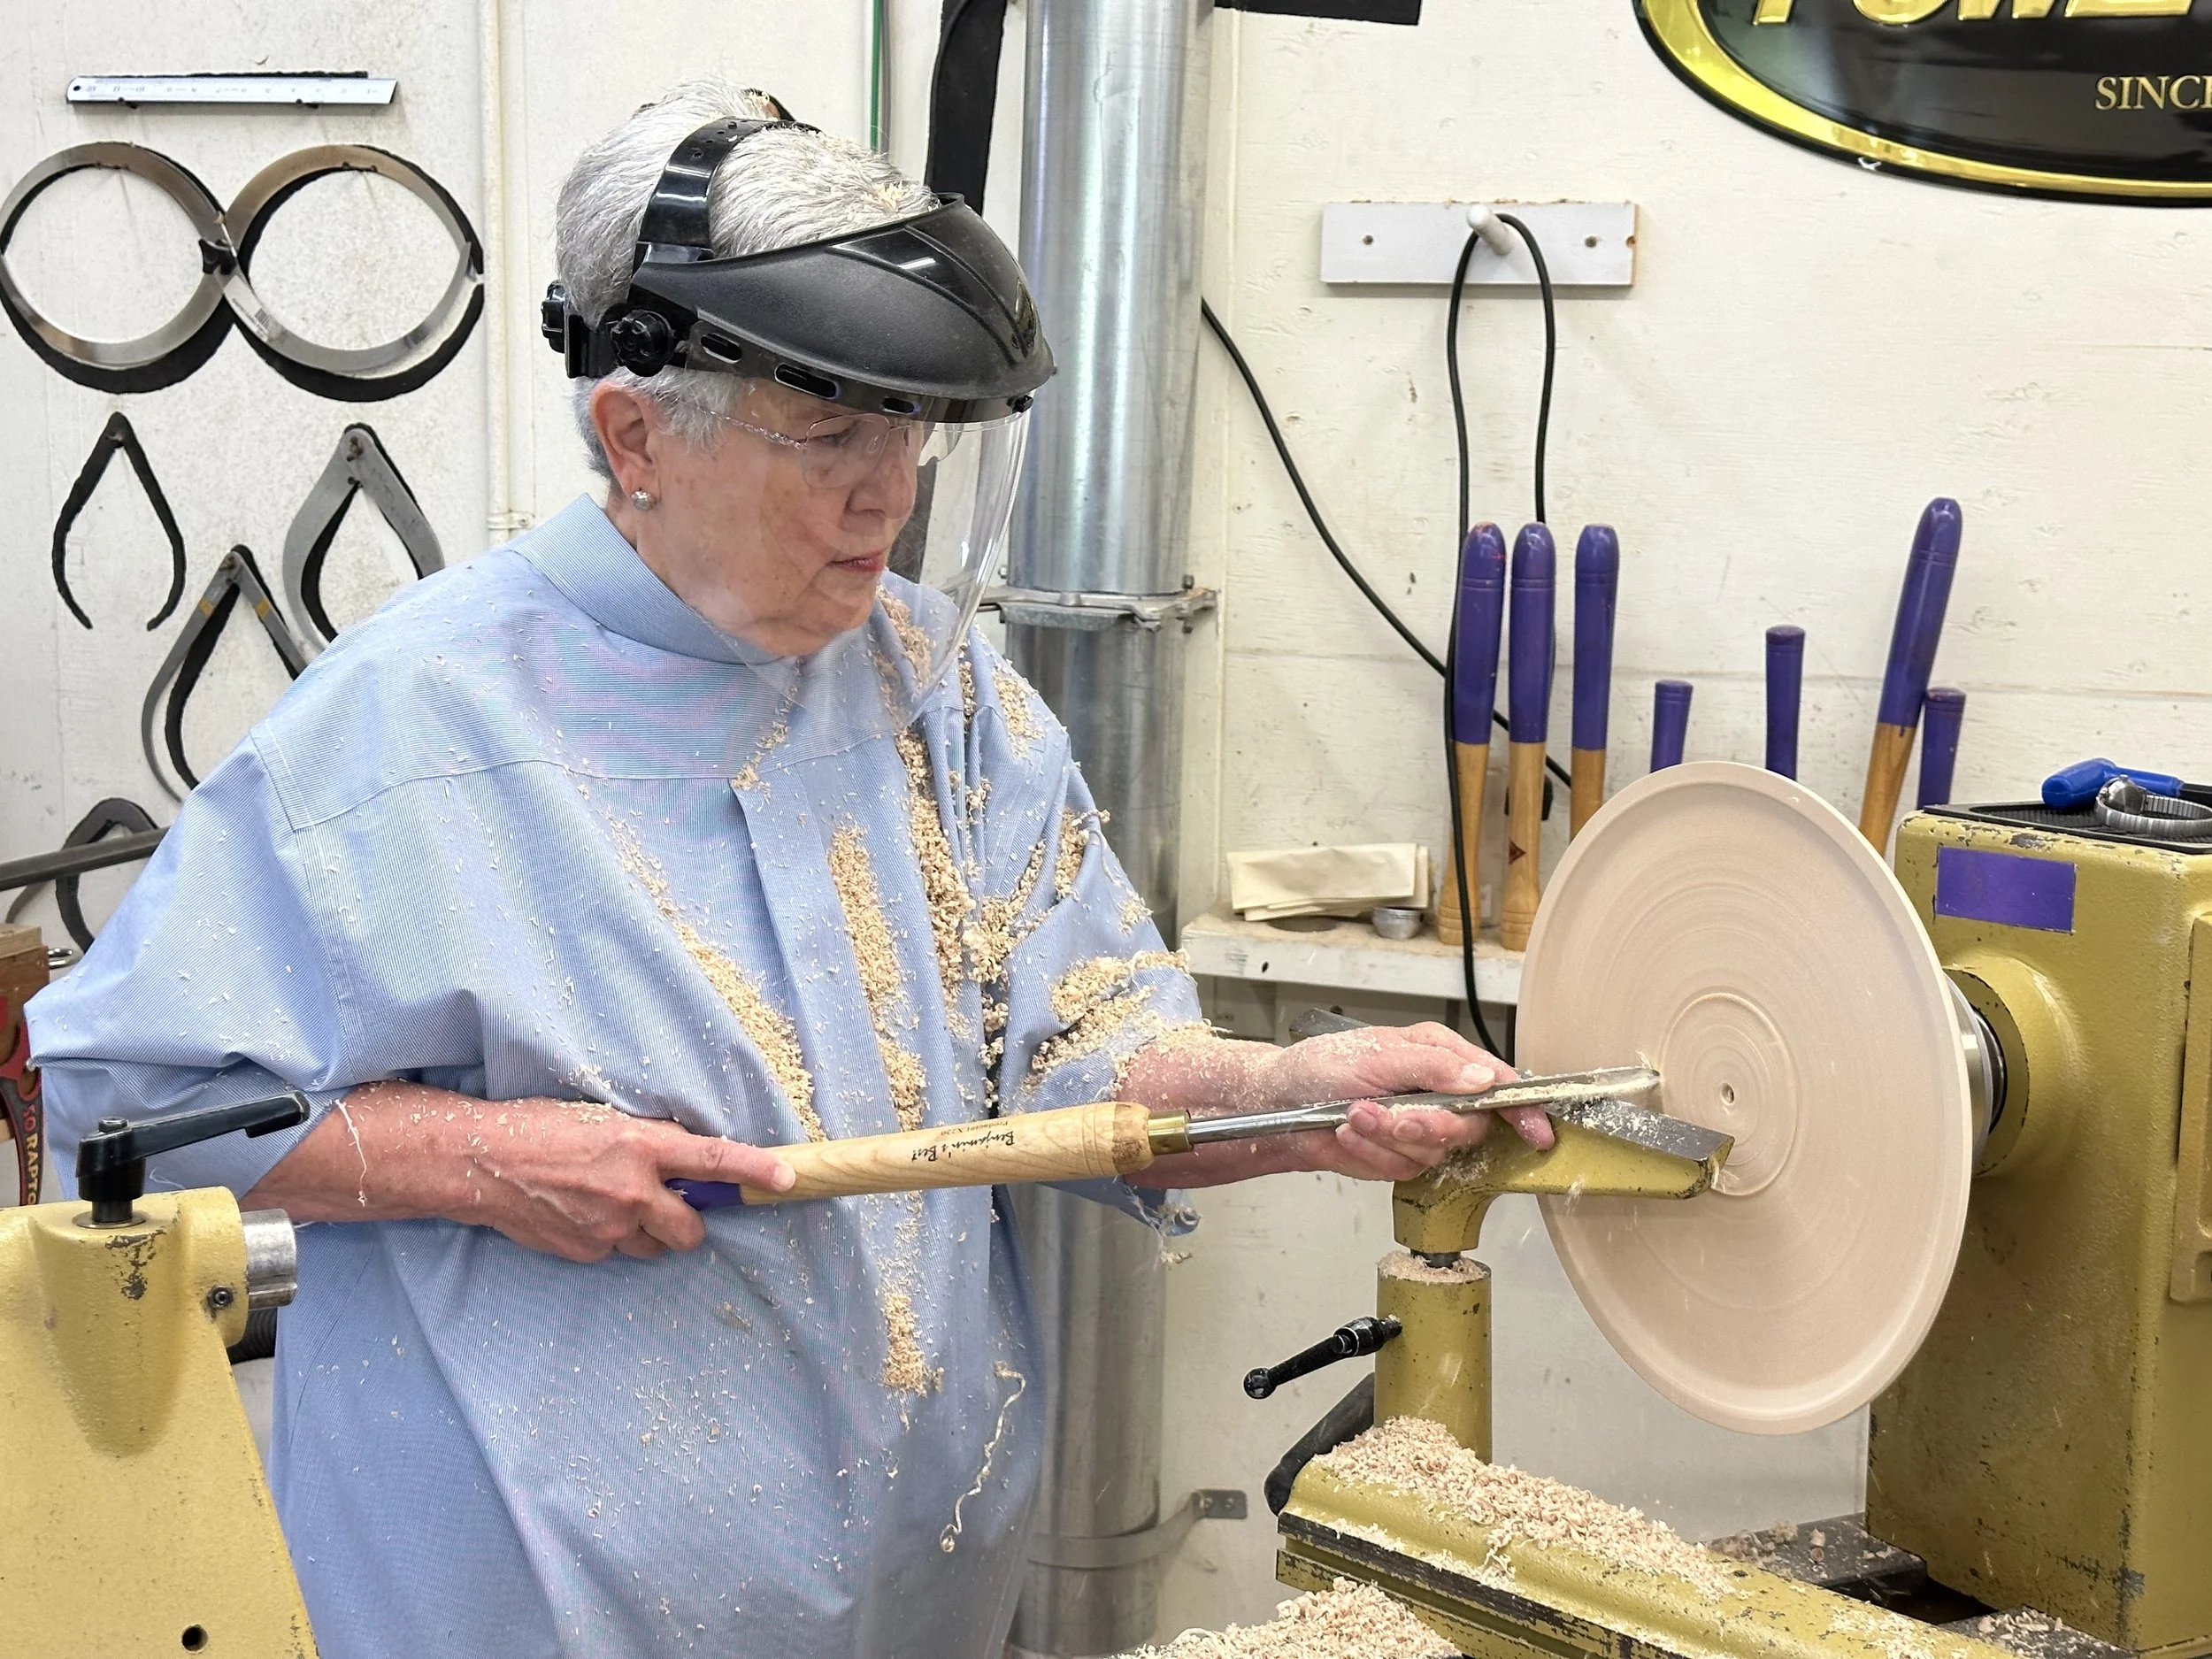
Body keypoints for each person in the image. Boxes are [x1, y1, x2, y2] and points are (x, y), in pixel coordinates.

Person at [29, 81, 1548, 1658]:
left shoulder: (939, 692)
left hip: (912, 1597)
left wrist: (1300, 1093)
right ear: (635, 433)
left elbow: (1090, 1048)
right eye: (829, 434)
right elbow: (122, 1116)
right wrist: (493, 1159)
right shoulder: (411, 729)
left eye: (914, 436)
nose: (887, 495)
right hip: (527, 1612)